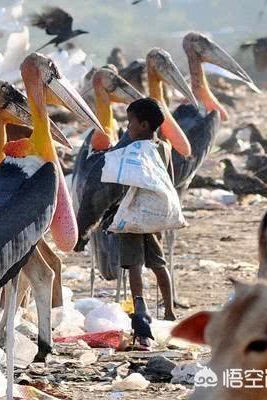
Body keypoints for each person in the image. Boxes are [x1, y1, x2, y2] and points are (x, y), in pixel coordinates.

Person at [114, 97, 177, 350]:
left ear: (144, 124)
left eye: (130, 122)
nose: (127, 126)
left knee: (134, 266)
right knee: (159, 264)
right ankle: (170, 311)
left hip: (132, 215)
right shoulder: (165, 148)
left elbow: (121, 181)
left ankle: (140, 315)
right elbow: (169, 183)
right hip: (153, 217)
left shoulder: (133, 149)